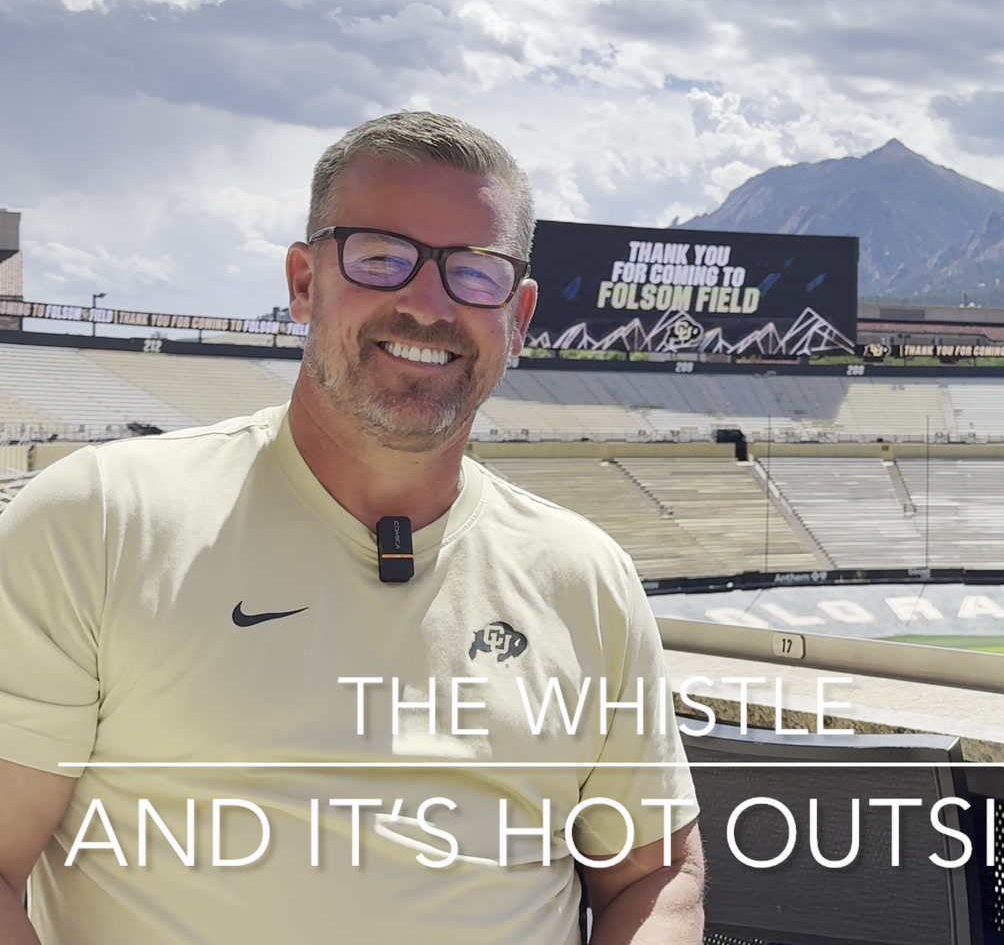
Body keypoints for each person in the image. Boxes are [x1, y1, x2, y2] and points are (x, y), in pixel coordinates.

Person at [0, 112, 704, 944]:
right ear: (304, 281)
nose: (427, 303)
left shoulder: (585, 577)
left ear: (517, 315)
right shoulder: (100, 519)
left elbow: (655, 875)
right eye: (381, 255)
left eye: (475, 272)